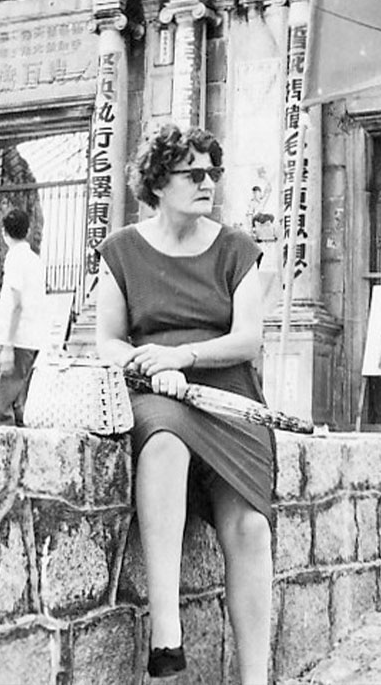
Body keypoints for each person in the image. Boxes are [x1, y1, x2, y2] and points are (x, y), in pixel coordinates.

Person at [96, 124, 274, 683]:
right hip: (155, 393)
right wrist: (148, 363)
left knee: (250, 529)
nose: (208, 183)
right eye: (193, 173)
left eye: (213, 172)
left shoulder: (238, 248)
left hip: (227, 395)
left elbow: (249, 338)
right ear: (157, 181)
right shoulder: (122, 250)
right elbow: (105, 338)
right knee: (165, 442)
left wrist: (187, 358)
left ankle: (254, 678)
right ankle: (165, 632)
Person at [0, 208, 46, 427]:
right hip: (31, 339)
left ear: (4, 232)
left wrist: (8, 346)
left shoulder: (15, 259)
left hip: (18, 339)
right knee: (18, 409)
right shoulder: (35, 260)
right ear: (28, 230)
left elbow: (16, 305)